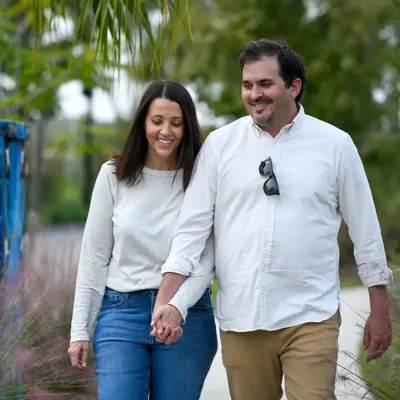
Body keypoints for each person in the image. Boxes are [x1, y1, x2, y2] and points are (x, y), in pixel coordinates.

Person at [150, 39, 394, 400]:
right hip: (242, 319)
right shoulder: (220, 146)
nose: (254, 94)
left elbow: (365, 230)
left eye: (265, 84)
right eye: (247, 85)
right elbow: (192, 231)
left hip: (311, 314)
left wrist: (380, 310)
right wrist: (167, 301)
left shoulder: (335, 145)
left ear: (294, 86)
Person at [68, 80, 218, 400]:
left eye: (176, 123)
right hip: (122, 312)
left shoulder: (202, 177)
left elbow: (206, 259)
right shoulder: (114, 175)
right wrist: (79, 329)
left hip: (187, 314)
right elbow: (94, 257)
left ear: (187, 127)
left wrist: (176, 306)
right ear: (143, 124)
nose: (166, 131)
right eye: (157, 121)